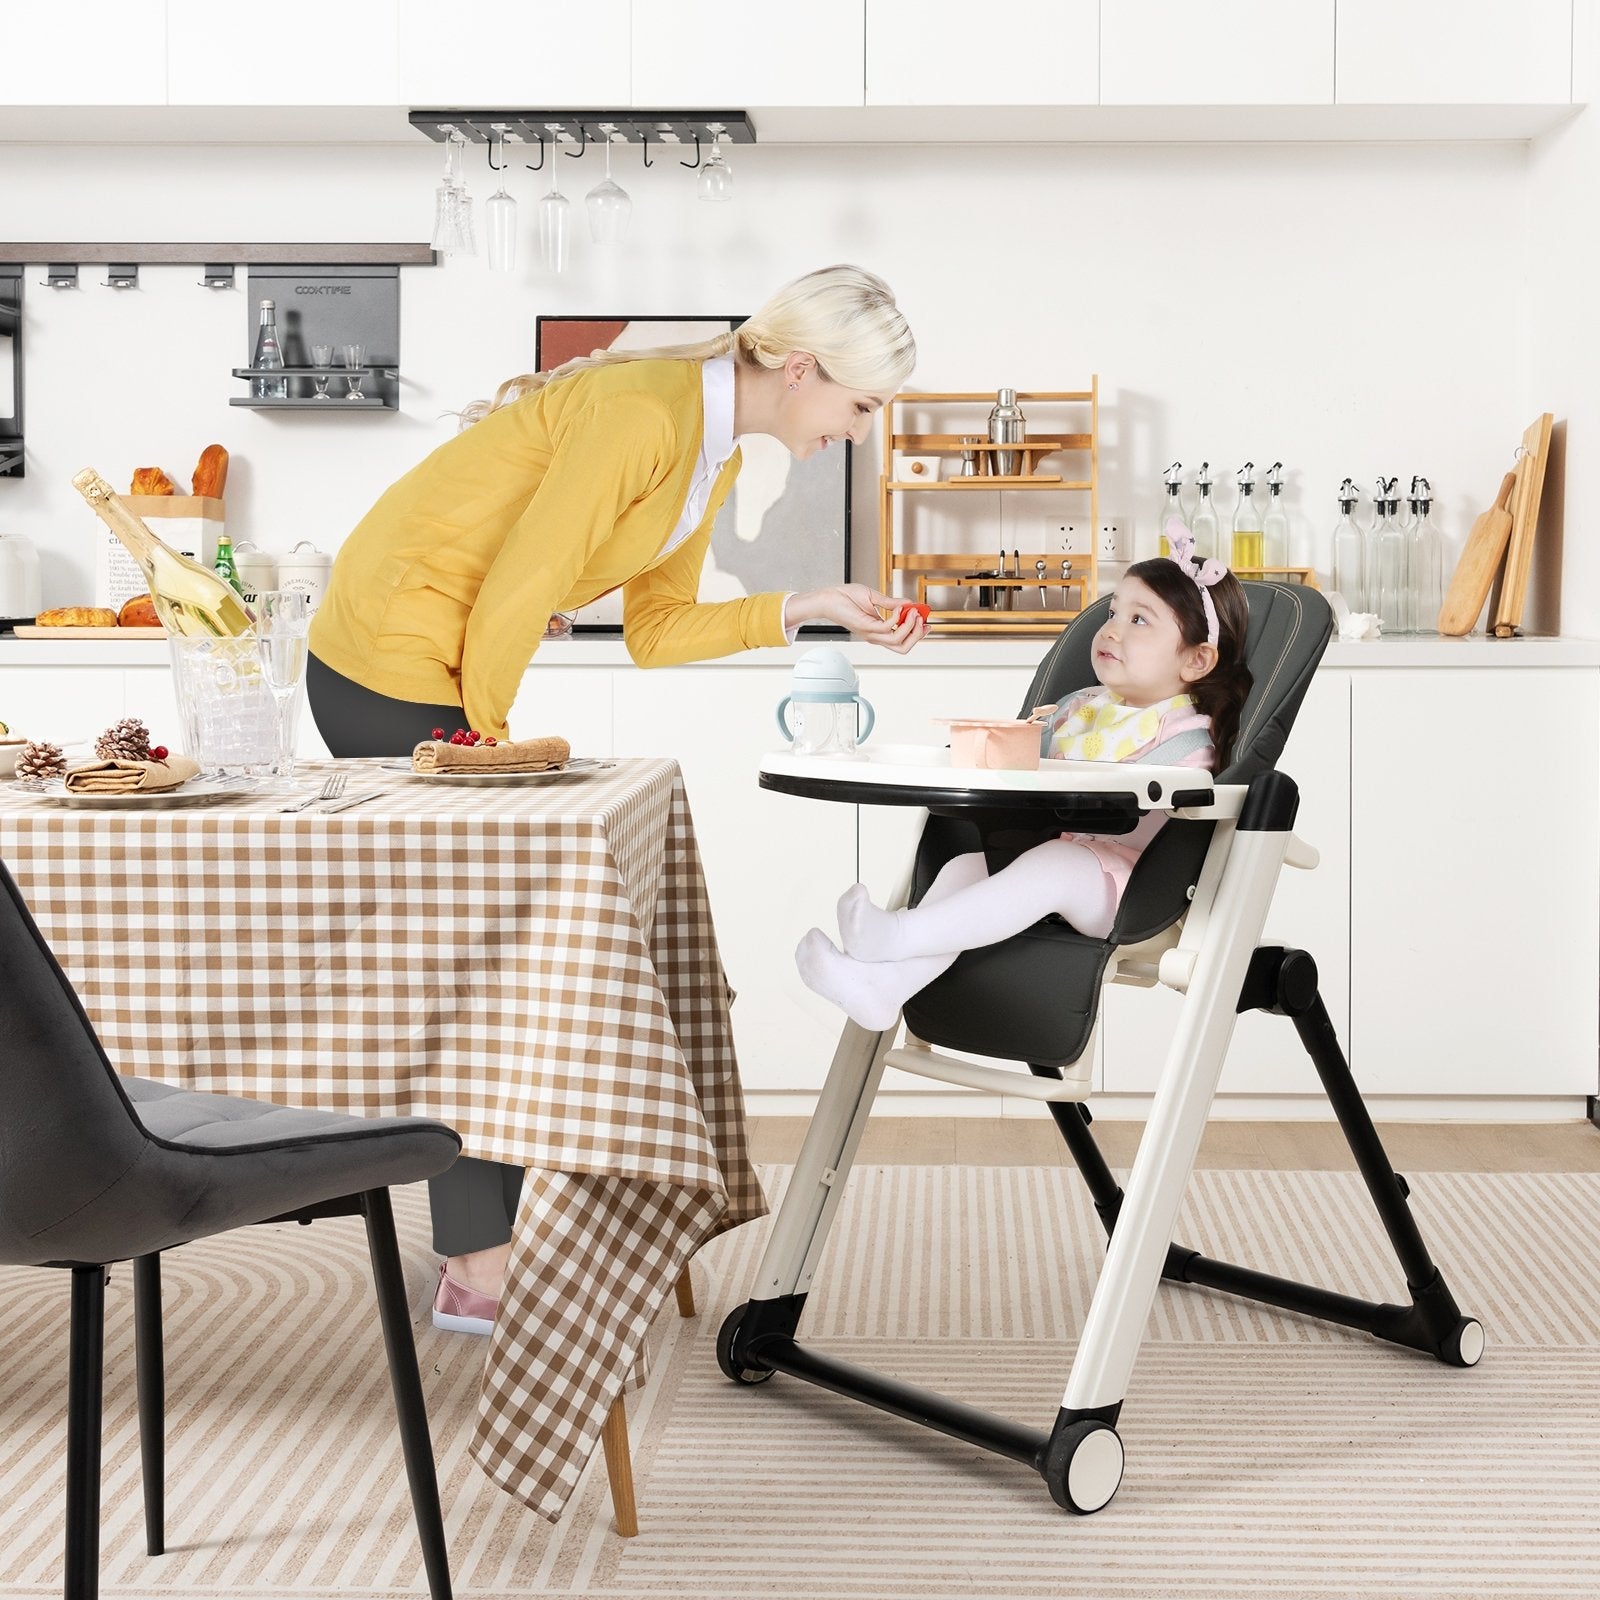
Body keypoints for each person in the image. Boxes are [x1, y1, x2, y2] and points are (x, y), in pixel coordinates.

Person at [305, 264, 922, 1335]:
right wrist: (483, 750)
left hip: (446, 665)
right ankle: (478, 1267)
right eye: (862, 406)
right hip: (388, 659)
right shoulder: (645, 411)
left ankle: (498, 1246)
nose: (862, 432)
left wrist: (808, 606)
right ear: (804, 370)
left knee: (481, 949)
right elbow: (514, 590)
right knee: (475, 955)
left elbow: (655, 629)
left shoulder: (707, 447)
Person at [795, 531, 1252, 1032]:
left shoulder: (1187, 737)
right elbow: (1024, 764)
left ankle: (897, 935)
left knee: (1058, 863)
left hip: (1134, 893)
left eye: (1139, 620)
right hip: (1052, 861)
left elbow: (1175, 807)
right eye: (1112, 613)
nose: (1112, 630)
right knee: (972, 865)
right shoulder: (1080, 709)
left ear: (1196, 659)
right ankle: (882, 987)